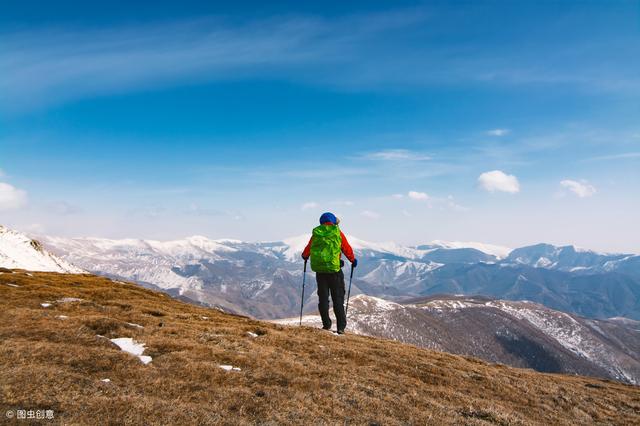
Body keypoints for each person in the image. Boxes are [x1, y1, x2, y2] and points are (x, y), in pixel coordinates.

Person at [301, 212, 358, 334]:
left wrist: (305, 256)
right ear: (333, 221)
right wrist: (353, 260)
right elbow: (346, 248)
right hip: (335, 272)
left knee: (323, 299)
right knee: (338, 299)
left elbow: (308, 249)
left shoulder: (317, 233)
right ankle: (341, 328)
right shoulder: (337, 232)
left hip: (320, 272)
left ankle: (326, 325)